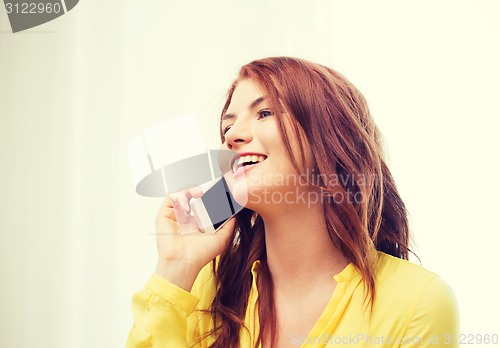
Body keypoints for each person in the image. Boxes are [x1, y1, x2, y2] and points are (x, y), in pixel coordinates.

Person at [126, 57, 459, 348]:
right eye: (228, 125)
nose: (231, 136)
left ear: (331, 139)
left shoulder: (417, 301)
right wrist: (176, 268)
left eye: (265, 112)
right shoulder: (205, 288)